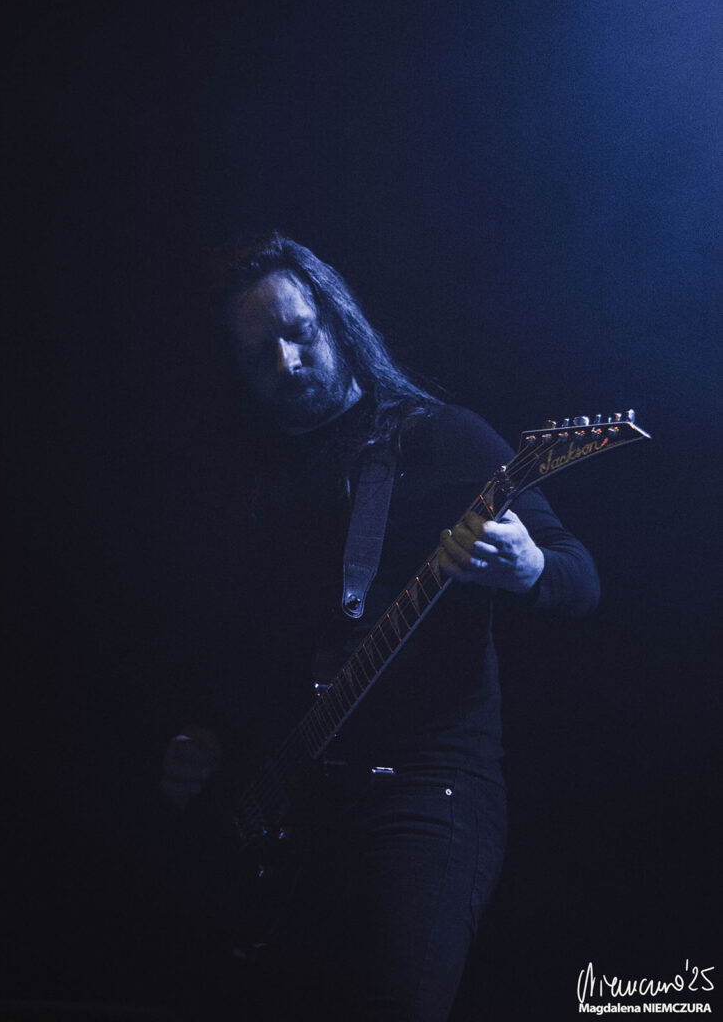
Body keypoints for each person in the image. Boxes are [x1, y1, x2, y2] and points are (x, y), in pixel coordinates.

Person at [161, 233, 600, 1021]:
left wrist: (529, 567)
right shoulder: (253, 478)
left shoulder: (442, 437)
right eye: (261, 353)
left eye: (299, 332)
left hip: (428, 788)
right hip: (298, 800)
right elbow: (244, 643)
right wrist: (206, 734)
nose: (287, 361)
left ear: (336, 318)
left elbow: (580, 576)